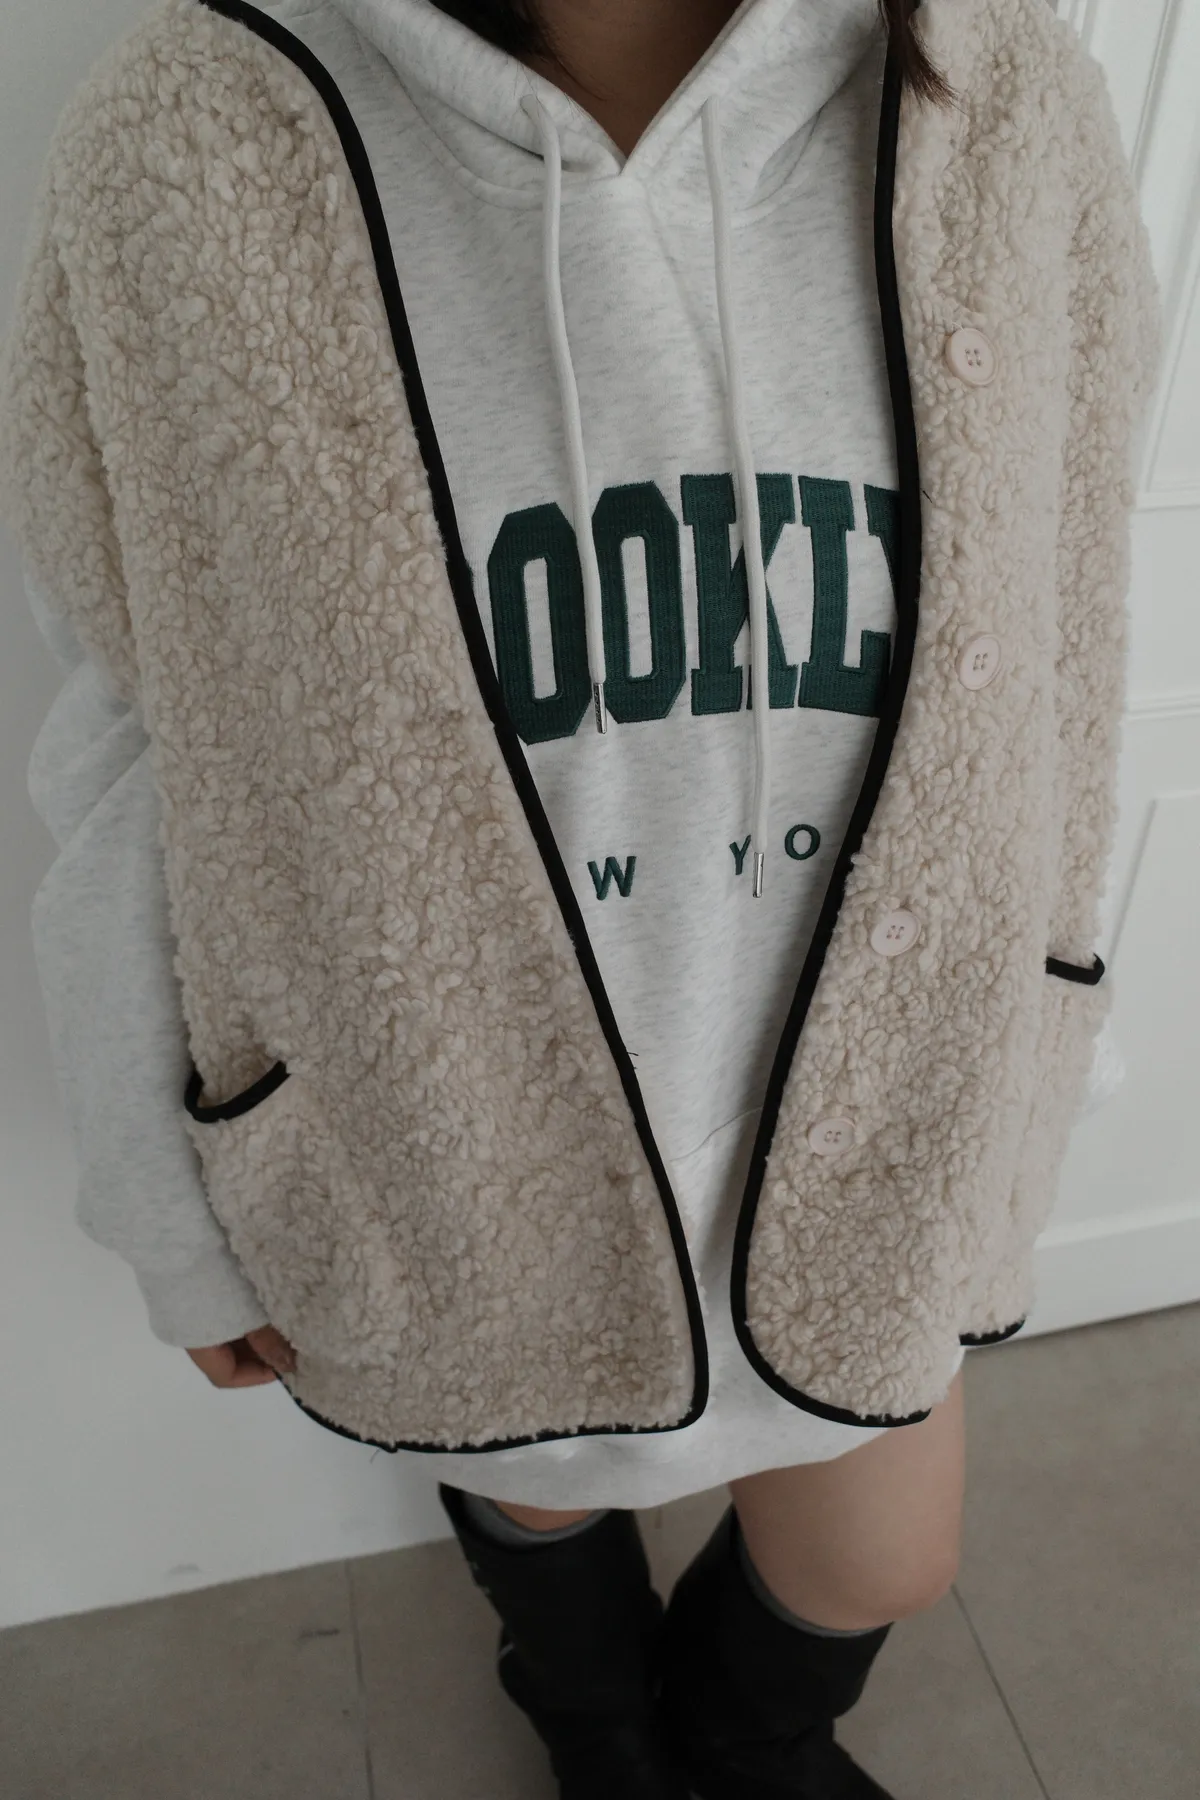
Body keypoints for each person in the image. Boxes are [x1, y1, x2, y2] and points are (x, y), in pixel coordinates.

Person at [0, 0, 1159, 1794]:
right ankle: (591, 1712)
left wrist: (1038, 1069)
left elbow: (1065, 634)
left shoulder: (998, 95)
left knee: (882, 1558)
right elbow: (133, 728)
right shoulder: (190, 132)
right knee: (533, 1492)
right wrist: (170, 1207)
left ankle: (743, 1741)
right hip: (442, 1157)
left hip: (877, 1140)